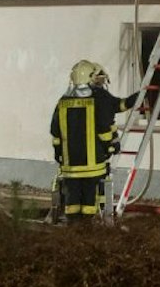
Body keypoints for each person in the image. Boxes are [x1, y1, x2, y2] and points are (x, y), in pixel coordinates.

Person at [49, 60, 140, 224]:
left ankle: (72, 227)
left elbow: (55, 132)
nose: (100, 83)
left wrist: (58, 153)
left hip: (71, 167)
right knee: (90, 199)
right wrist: (112, 146)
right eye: (97, 79)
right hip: (93, 166)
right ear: (89, 78)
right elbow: (108, 122)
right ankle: (86, 227)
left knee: (72, 199)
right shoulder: (99, 98)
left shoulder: (62, 102)